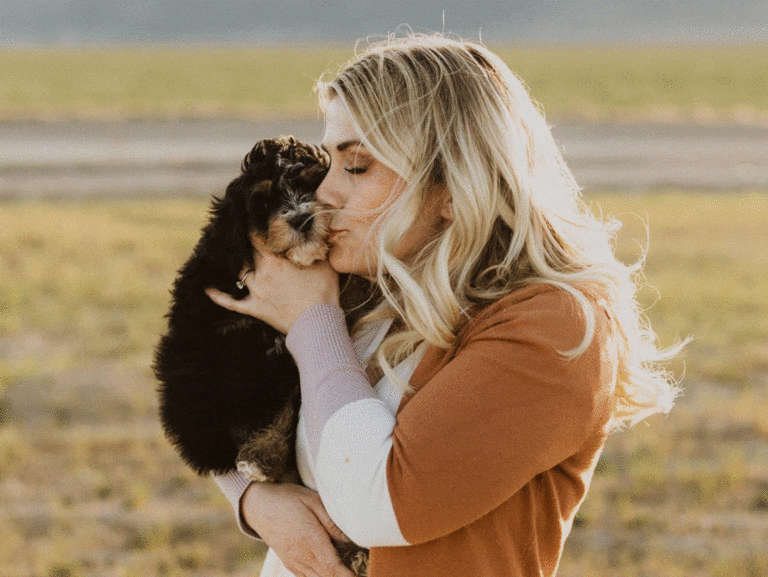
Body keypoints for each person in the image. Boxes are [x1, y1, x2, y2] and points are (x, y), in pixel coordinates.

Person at [206, 32, 684, 577]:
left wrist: (312, 323)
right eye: (329, 165)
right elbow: (204, 393)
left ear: (456, 185)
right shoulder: (370, 287)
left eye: (357, 166)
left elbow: (377, 502)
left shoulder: (558, 327)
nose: (325, 193)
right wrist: (253, 500)